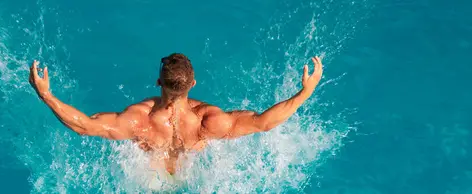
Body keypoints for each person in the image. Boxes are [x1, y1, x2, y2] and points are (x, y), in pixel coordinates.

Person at [28, 53, 323, 175]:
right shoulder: (210, 121)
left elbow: (85, 126)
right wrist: (305, 92)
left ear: (158, 83)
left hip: (148, 179)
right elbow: (264, 123)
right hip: (195, 175)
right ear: (193, 84)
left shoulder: (138, 120)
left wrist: (46, 94)